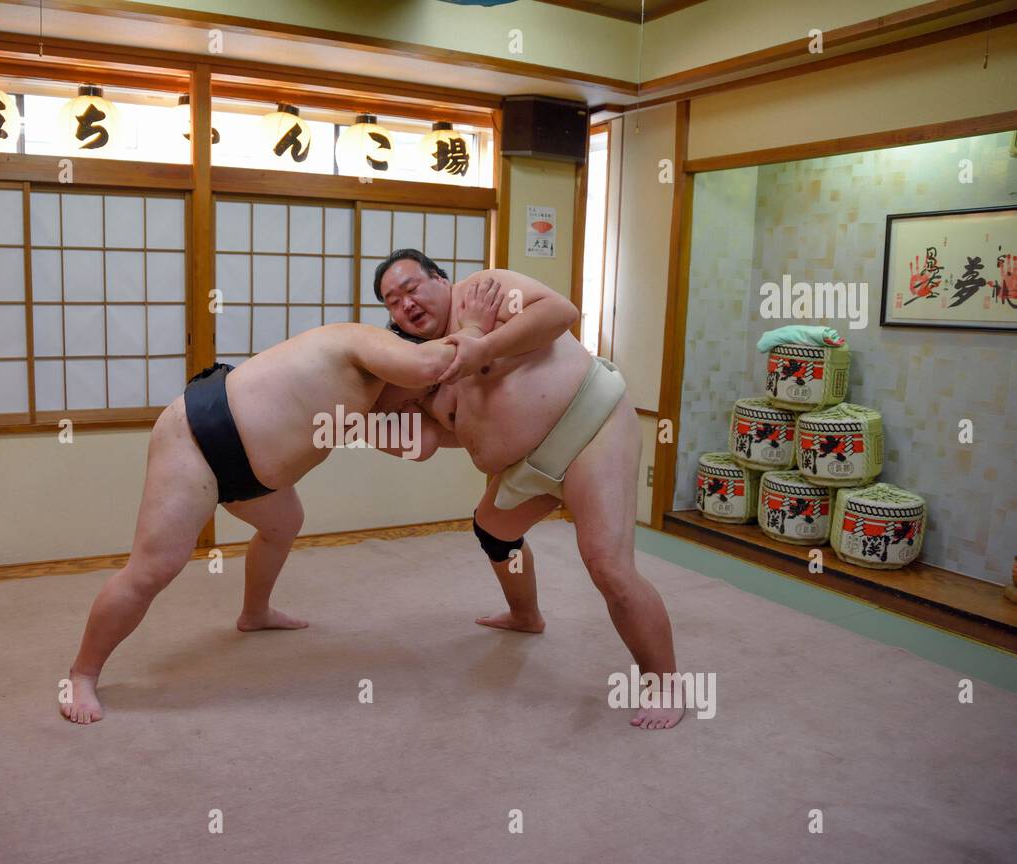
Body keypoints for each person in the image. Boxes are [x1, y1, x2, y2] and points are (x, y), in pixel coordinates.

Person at [62, 322, 456, 724]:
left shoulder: (367, 408)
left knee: (284, 523)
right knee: (152, 570)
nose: (418, 405)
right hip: (198, 440)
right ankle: (83, 674)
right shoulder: (361, 343)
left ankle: (255, 613)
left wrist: (455, 415)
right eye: (422, 396)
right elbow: (429, 365)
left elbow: (420, 447)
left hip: (250, 476)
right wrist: (476, 326)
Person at [373, 249, 683, 730]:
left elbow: (561, 313)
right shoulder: (427, 365)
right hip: (528, 467)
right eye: (392, 302)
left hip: (589, 427)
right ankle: (526, 614)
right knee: (492, 529)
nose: (405, 305)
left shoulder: (483, 291)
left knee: (607, 565)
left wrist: (482, 344)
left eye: (411, 288)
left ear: (439, 278)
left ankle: (664, 682)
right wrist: (363, 420)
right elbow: (431, 442)